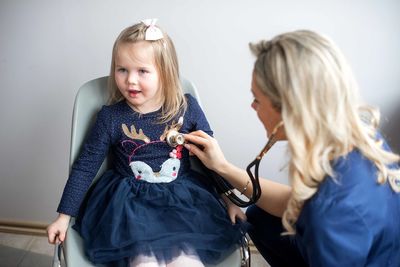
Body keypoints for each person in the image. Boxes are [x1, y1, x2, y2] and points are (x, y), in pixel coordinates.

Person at [184, 30, 400, 267]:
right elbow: (295, 202)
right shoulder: (362, 138)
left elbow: (317, 209)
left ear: (290, 111)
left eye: (257, 99)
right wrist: (222, 167)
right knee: (258, 215)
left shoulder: (330, 215)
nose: (252, 106)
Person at [46, 19, 247, 267]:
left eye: (142, 71)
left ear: (165, 72)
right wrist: (64, 217)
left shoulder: (186, 108)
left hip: (182, 204)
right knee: (144, 263)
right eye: (122, 69)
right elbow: (85, 167)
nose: (130, 80)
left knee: (188, 263)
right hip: (130, 207)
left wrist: (230, 201)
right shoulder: (111, 117)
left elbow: (213, 161)